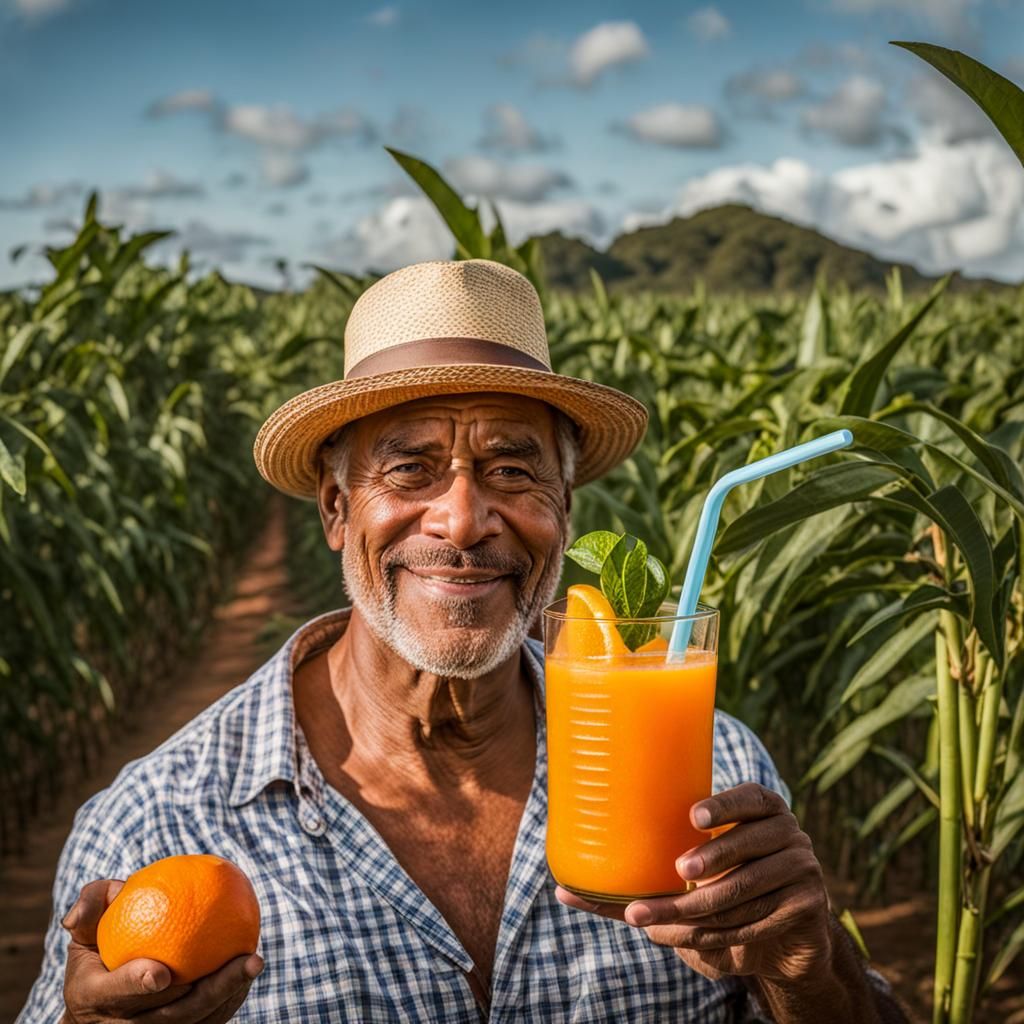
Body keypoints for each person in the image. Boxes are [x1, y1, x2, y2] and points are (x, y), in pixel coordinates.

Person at [19, 259, 909, 1023]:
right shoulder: (156, 824)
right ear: (335, 509)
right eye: (409, 468)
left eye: (513, 471)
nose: (463, 519)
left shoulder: (710, 774)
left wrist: (812, 969)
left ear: (565, 513)